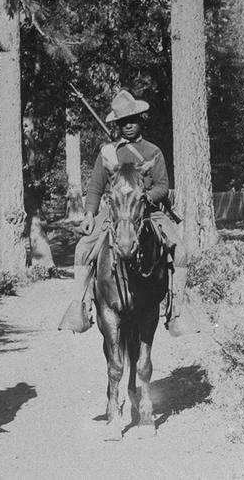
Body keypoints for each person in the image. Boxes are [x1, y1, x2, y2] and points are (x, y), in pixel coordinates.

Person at [58, 90, 199, 336]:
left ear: (140, 119)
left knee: (181, 252)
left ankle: (177, 310)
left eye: (132, 120)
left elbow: (162, 187)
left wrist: (145, 197)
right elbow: (95, 188)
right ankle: (80, 306)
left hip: (149, 213)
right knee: (82, 249)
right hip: (115, 212)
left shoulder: (153, 151)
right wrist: (90, 214)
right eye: (123, 122)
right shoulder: (108, 153)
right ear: (118, 125)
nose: (128, 126)